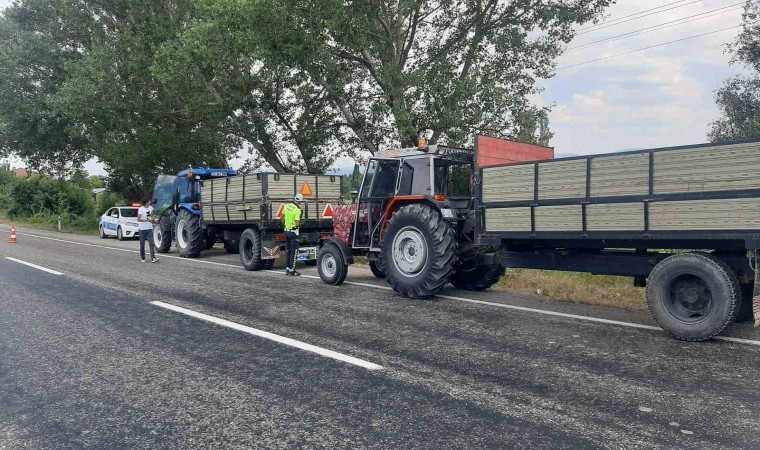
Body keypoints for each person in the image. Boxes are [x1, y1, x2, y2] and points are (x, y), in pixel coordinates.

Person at [281, 194, 304, 276]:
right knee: (294, 252)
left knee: (288, 251)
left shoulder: (286, 206)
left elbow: (282, 218)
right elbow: (297, 223)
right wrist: (302, 223)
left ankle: (287, 269)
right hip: (293, 233)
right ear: (300, 201)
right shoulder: (297, 210)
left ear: (294, 199)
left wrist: (285, 226)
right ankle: (292, 271)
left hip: (286, 231)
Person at [137, 198, 159, 263]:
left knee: (151, 243)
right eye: (149, 201)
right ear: (146, 202)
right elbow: (138, 219)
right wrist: (147, 220)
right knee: (142, 244)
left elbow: (152, 216)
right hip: (142, 229)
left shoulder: (151, 208)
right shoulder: (141, 209)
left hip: (149, 228)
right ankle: (142, 257)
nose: (150, 202)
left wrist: (154, 219)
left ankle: (153, 258)